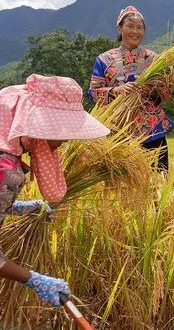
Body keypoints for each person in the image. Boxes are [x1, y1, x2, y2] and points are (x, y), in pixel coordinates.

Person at [0, 74, 110, 307]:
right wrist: (34, 280)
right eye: (59, 131)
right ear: (35, 129)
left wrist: (18, 206)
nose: (65, 140)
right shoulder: (5, 171)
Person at [88, 6, 173, 171]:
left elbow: (168, 93)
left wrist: (152, 90)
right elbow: (93, 93)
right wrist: (115, 91)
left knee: (158, 179)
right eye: (130, 26)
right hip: (118, 130)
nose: (135, 31)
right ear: (120, 29)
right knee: (123, 183)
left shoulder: (155, 59)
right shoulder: (104, 59)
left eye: (139, 27)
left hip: (152, 130)